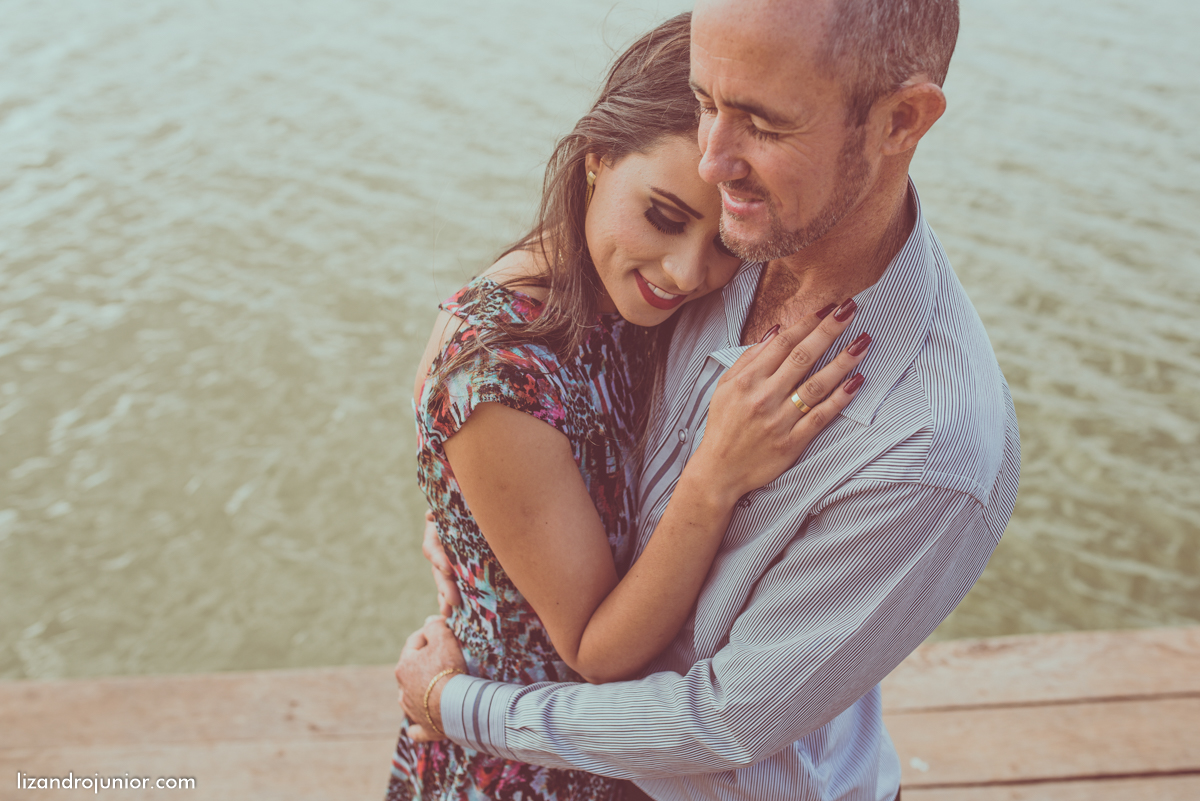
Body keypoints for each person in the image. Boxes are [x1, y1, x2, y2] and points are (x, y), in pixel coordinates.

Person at [397, 0, 1021, 800]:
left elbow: (723, 722)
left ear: (902, 119)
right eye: (705, 101)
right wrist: (472, 516)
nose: (715, 157)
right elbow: (508, 363)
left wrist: (456, 704)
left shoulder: (930, 449)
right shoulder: (730, 237)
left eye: (761, 121)